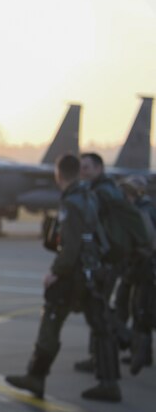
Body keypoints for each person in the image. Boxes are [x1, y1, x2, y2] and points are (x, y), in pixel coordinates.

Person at [6, 154, 121, 402]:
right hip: (93, 270)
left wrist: (55, 272)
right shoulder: (90, 196)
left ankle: (36, 377)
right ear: (78, 172)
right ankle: (109, 383)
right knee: (102, 328)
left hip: (74, 274)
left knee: (51, 320)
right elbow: (97, 236)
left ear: (59, 175)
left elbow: (70, 247)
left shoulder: (71, 203)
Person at [74, 152, 148, 372]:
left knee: (99, 308)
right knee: (99, 307)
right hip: (110, 257)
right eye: (81, 168)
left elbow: (95, 225)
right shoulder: (106, 190)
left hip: (107, 259)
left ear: (99, 168)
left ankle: (127, 341)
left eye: (86, 167)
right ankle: (100, 357)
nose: (82, 172)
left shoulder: (102, 193)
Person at [119, 175, 155, 374]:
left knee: (141, 310)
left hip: (144, 268)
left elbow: (147, 244)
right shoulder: (143, 209)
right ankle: (142, 354)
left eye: (128, 192)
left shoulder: (143, 212)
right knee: (141, 309)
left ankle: (140, 354)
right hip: (142, 267)